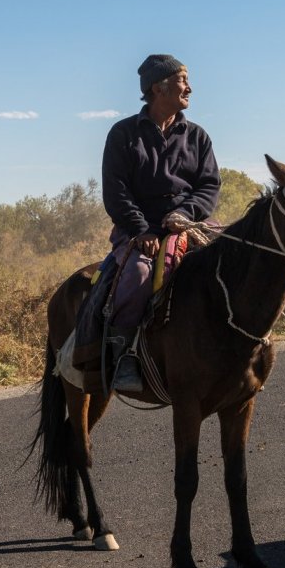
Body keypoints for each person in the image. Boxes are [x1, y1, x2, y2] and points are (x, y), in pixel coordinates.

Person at [101, 54, 221, 392]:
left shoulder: (198, 137)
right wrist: (141, 230)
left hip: (189, 223)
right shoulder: (122, 135)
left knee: (236, 256)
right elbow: (116, 192)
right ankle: (123, 356)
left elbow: (209, 185)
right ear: (159, 87)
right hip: (140, 231)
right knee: (138, 275)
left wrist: (187, 213)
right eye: (184, 81)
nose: (190, 88)